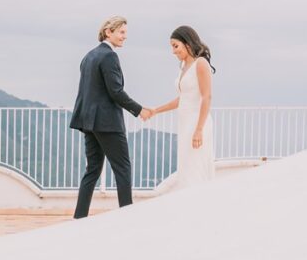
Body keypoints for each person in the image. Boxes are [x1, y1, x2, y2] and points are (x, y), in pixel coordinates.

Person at [70, 15, 153, 218]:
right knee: (123, 168)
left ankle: (79, 218)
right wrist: (139, 109)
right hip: (107, 123)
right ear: (109, 32)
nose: (125, 37)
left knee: (92, 171)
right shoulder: (109, 56)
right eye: (121, 32)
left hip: (88, 122)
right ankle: (127, 217)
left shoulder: (88, 56)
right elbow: (115, 91)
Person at [150, 25, 216, 189]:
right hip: (185, 124)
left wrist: (199, 129)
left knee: (195, 167)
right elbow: (183, 98)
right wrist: (156, 110)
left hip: (197, 123)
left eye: (175, 46)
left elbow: (206, 97)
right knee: (186, 167)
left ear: (187, 43)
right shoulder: (183, 66)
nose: (173, 51)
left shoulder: (200, 64)